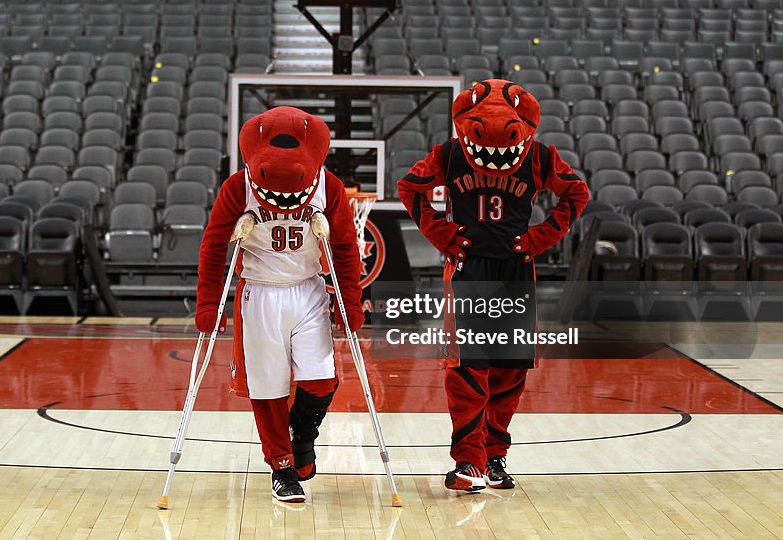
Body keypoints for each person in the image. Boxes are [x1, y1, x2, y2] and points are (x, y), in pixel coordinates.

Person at [398, 79, 589, 491]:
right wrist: (443, 235)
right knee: (467, 368)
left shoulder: (539, 155)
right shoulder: (449, 154)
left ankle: (496, 457)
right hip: (468, 268)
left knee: (510, 368)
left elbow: (577, 192)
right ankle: (469, 461)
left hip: (516, 269)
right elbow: (410, 187)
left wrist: (542, 237)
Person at [195, 106, 364, 502]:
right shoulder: (238, 187)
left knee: (320, 379)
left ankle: (302, 439)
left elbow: (344, 247)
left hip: (308, 289)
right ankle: (282, 467)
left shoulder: (330, 187)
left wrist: (350, 301)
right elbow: (213, 244)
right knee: (268, 388)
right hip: (258, 292)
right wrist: (207, 302)